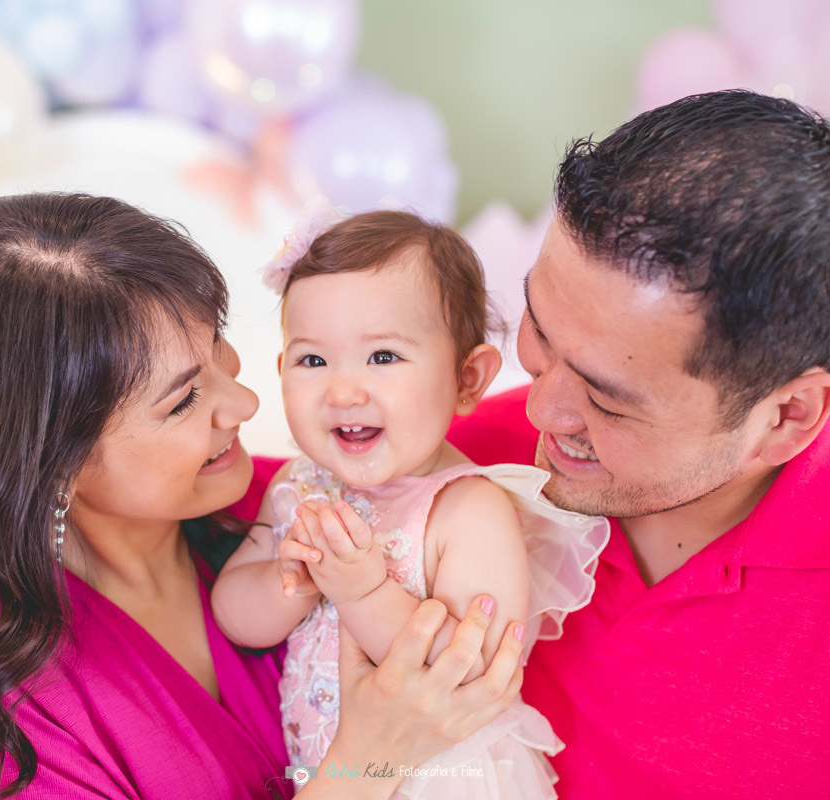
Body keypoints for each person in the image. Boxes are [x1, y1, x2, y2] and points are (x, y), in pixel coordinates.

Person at [0, 193, 527, 800]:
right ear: (53, 462)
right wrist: (365, 764)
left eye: (219, 350)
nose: (246, 402)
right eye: (184, 401)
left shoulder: (291, 503)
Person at [445, 90, 830, 798]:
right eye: (539, 331)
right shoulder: (464, 459)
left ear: (787, 416)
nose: (541, 409)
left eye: (607, 400)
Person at [210, 207, 607, 799]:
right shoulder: (299, 485)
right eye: (313, 360)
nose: (343, 391)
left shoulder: (468, 508)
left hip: (447, 777)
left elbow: (472, 670)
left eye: (383, 357)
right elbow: (235, 618)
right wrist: (287, 581)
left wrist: (362, 590)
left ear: (467, 380)